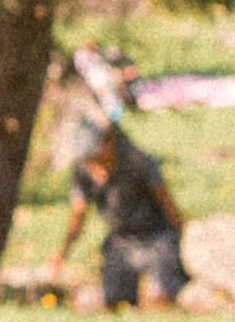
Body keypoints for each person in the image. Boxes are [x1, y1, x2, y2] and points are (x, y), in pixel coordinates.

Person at [56, 120, 189, 310]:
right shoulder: (83, 172)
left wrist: (185, 237)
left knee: (163, 296)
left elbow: (166, 201)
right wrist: (62, 254)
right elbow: (78, 215)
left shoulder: (138, 162)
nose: (94, 165)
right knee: (115, 301)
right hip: (120, 242)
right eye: (88, 160)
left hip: (157, 235)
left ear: (108, 143)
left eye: (95, 157)